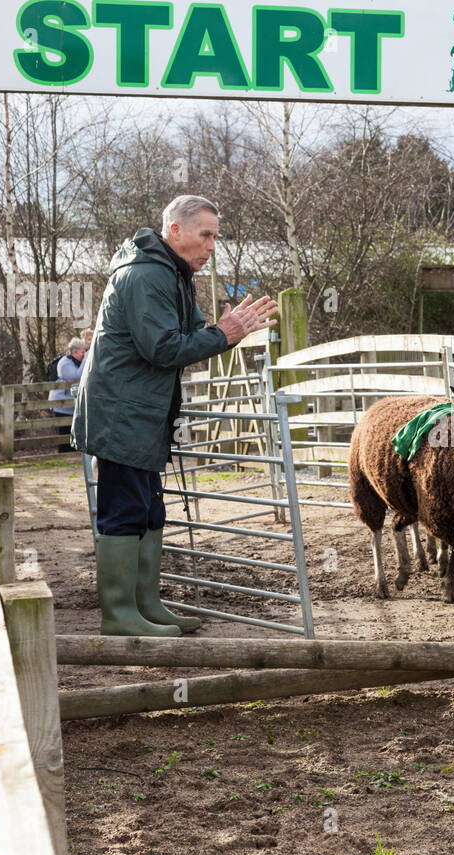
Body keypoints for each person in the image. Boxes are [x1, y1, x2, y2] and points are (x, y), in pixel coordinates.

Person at [72, 195, 277, 637]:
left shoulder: (170, 273)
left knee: (149, 510)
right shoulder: (147, 275)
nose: (212, 246)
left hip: (142, 412)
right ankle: (118, 613)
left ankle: (145, 603)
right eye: (206, 235)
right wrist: (223, 334)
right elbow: (163, 348)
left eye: (215, 237)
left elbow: (191, 336)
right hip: (122, 413)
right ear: (175, 231)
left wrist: (224, 331)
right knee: (124, 509)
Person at [51, 337, 87, 453]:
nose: (84, 354)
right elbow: (77, 376)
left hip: (71, 406)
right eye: (82, 352)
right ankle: (63, 455)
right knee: (65, 432)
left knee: (73, 431)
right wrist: (86, 361)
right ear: (74, 351)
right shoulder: (65, 363)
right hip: (61, 404)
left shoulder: (77, 362)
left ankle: (72, 454)